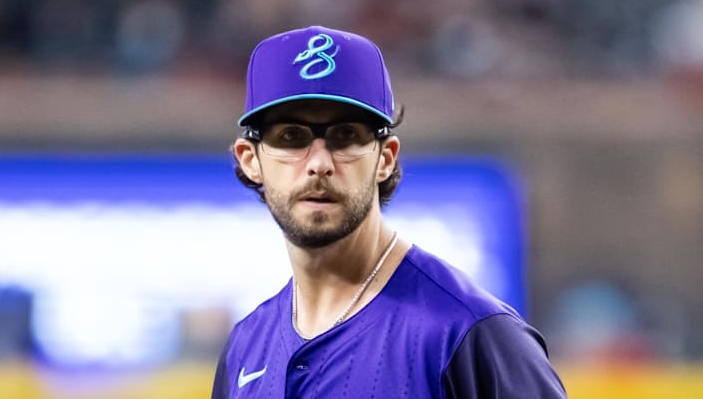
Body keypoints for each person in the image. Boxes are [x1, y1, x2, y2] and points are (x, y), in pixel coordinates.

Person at [211, 25, 567, 398]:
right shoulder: (246, 348)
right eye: (291, 137)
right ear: (250, 160)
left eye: (345, 135)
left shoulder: (470, 333)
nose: (319, 163)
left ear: (386, 158)